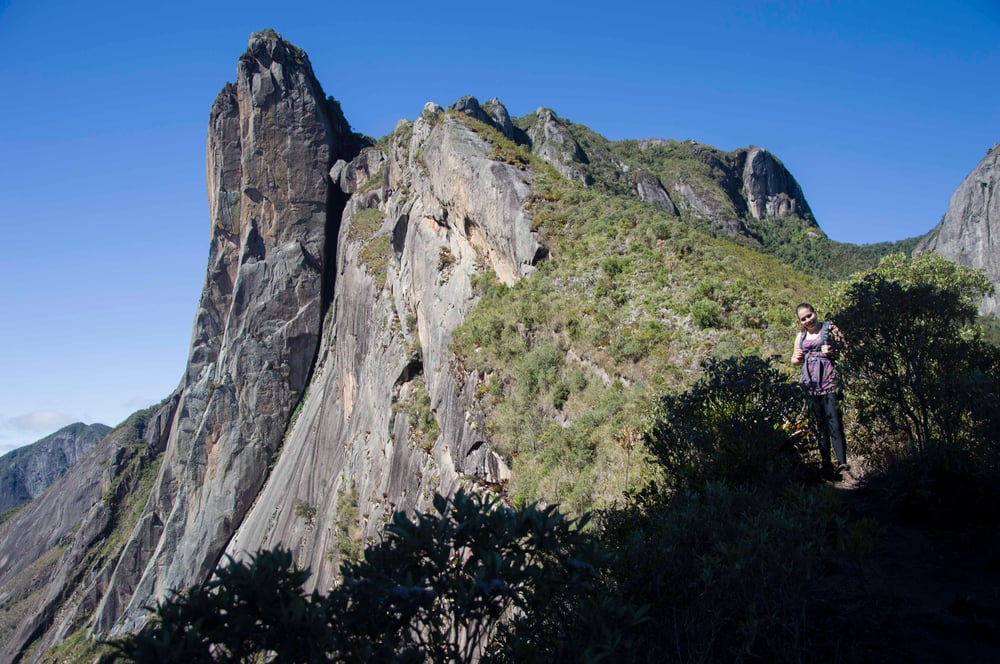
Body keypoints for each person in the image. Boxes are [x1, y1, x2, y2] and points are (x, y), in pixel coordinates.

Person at [791, 303, 849, 479]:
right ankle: (826, 465)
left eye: (810, 315)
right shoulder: (800, 336)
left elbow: (845, 348)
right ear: (800, 321)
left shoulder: (829, 328)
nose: (808, 320)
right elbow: (794, 359)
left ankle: (842, 463)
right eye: (804, 318)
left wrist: (832, 351)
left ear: (815, 313)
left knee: (835, 424)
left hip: (830, 382)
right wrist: (797, 358)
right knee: (820, 426)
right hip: (810, 385)